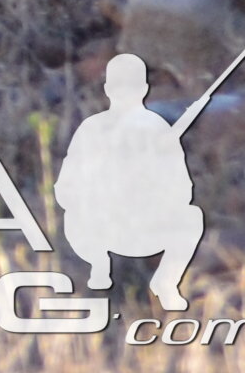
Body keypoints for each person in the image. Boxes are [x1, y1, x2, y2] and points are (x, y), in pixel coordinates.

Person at [55, 51, 209, 306]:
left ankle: (166, 283)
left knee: (192, 218)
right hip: (100, 226)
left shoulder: (160, 127)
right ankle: (98, 271)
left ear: (144, 88)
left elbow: (184, 190)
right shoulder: (93, 129)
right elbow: (65, 188)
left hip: (145, 225)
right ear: (107, 88)